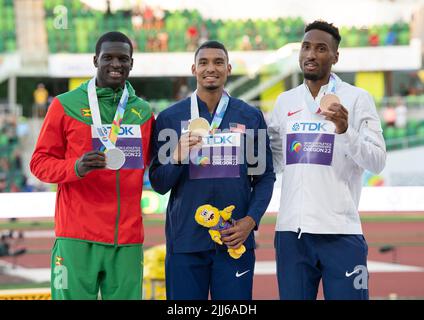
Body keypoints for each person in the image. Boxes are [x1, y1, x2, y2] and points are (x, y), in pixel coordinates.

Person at [30, 31, 155, 300]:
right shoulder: (64, 105)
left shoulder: (143, 112)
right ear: (95, 60)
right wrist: (76, 167)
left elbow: (151, 165)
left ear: (131, 63)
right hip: (77, 235)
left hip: (127, 239)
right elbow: (39, 164)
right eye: (108, 57)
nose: (115, 64)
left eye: (123, 58)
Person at [268, 20, 386, 300]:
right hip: (291, 235)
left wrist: (346, 130)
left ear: (335, 56)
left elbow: (378, 161)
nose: (311, 54)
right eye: (306, 47)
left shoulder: (358, 99)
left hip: (341, 232)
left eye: (321, 49)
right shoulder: (285, 102)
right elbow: (273, 162)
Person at [149, 40, 275, 300]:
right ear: (193, 68)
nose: (211, 68)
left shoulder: (250, 116)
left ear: (228, 68)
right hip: (185, 242)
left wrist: (249, 223)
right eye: (204, 62)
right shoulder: (169, 119)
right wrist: (177, 158)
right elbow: (159, 183)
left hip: (234, 240)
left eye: (218, 62)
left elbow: (264, 177)